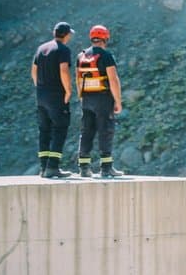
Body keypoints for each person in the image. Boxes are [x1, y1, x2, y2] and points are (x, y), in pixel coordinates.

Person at [76, 24, 124, 178]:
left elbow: (78, 79)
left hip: (87, 99)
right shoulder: (106, 55)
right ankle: (106, 168)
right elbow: (113, 79)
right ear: (105, 38)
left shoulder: (81, 56)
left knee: (86, 131)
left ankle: (84, 167)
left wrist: (81, 97)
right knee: (105, 130)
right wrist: (117, 101)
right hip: (103, 99)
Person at [31, 22, 75, 178]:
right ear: (66, 34)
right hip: (56, 95)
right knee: (60, 128)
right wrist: (68, 90)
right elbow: (64, 70)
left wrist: (40, 87)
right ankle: (53, 167)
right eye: (70, 34)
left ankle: (44, 168)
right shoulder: (63, 50)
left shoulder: (41, 48)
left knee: (44, 130)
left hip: (41, 95)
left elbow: (34, 70)